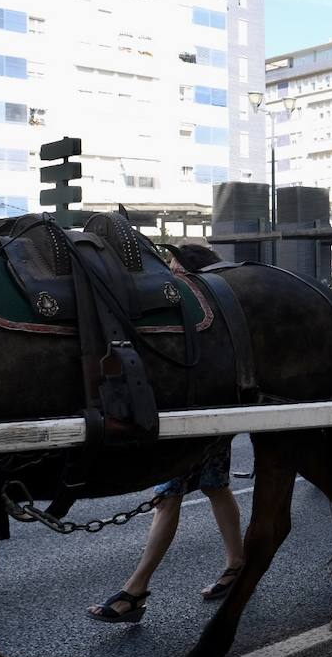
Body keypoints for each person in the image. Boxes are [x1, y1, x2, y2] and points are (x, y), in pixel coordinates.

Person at [87, 244, 246, 624]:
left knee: (168, 497)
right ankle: (237, 563)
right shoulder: (190, 313)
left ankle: (135, 590)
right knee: (214, 487)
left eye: (178, 268)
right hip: (201, 417)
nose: (171, 275)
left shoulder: (204, 315)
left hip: (200, 420)